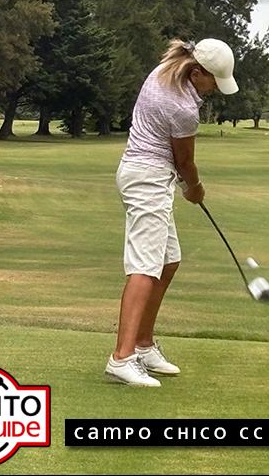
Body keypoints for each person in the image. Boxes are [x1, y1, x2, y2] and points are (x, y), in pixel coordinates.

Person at [105, 38, 239, 387]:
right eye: (212, 81)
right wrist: (194, 188)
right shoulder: (183, 107)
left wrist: (183, 185)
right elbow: (185, 161)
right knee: (145, 269)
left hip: (145, 174)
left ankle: (143, 344)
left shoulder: (164, 70)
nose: (213, 89)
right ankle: (122, 358)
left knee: (167, 261)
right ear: (196, 73)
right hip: (147, 179)